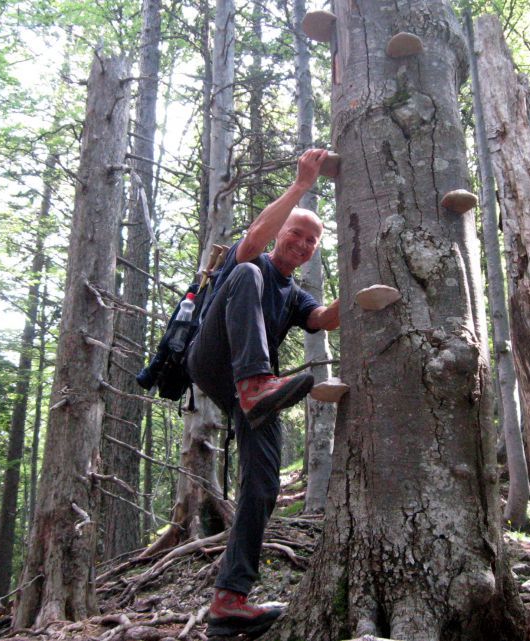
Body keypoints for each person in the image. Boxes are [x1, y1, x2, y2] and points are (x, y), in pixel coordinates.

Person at [186, 148, 340, 638]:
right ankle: (257, 384)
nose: (303, 243)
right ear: (280, 233)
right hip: (213, 359)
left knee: (263, 484)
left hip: (253, 391)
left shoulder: (296, 294)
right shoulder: (253, 257)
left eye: (312, 240)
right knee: (248, 272)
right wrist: (300, 185)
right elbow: (253, 240)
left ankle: (229, 601)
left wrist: (365, 276)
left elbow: (319, 320)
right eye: (296, 233)